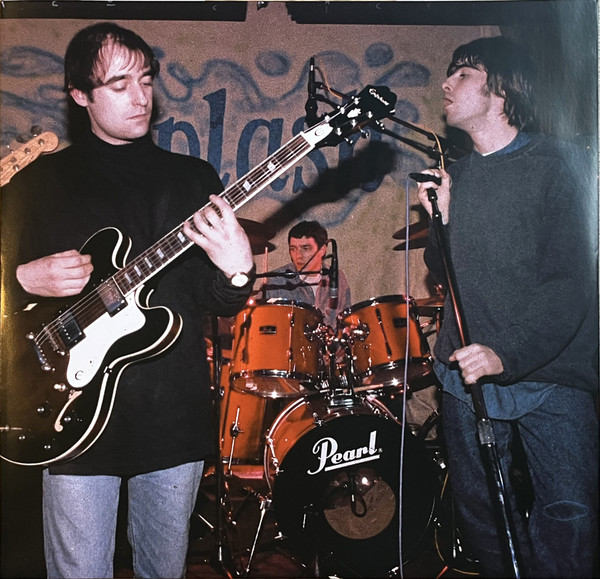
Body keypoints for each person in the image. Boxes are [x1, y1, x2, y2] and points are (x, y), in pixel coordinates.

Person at [0, 22, 255, 579]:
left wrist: (238, 270)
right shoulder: (39, 183)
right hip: (68, 414)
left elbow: (212, 298)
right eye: (119, 85)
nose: (140, 97)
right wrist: (21, 278)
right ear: (80, 95)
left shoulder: (192, 179)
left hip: (171, 417)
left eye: (145, 79)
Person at [416, 36, 598, 578]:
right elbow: (442, 268)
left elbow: (570, 282)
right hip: (465, 375)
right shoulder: (458, 175)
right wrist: (442, 218)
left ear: (501, 89)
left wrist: (505, 352)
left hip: (551, 371)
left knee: (569, 512)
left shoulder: (558, 164)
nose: (446, 84)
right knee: (483, 515)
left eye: (462, 73)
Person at [260, 220, 351, 329]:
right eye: (293, 249)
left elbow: (346, 322)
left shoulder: (338, 278)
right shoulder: (276, 280)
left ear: (322, 250)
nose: (298, 255)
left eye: (305, 248)